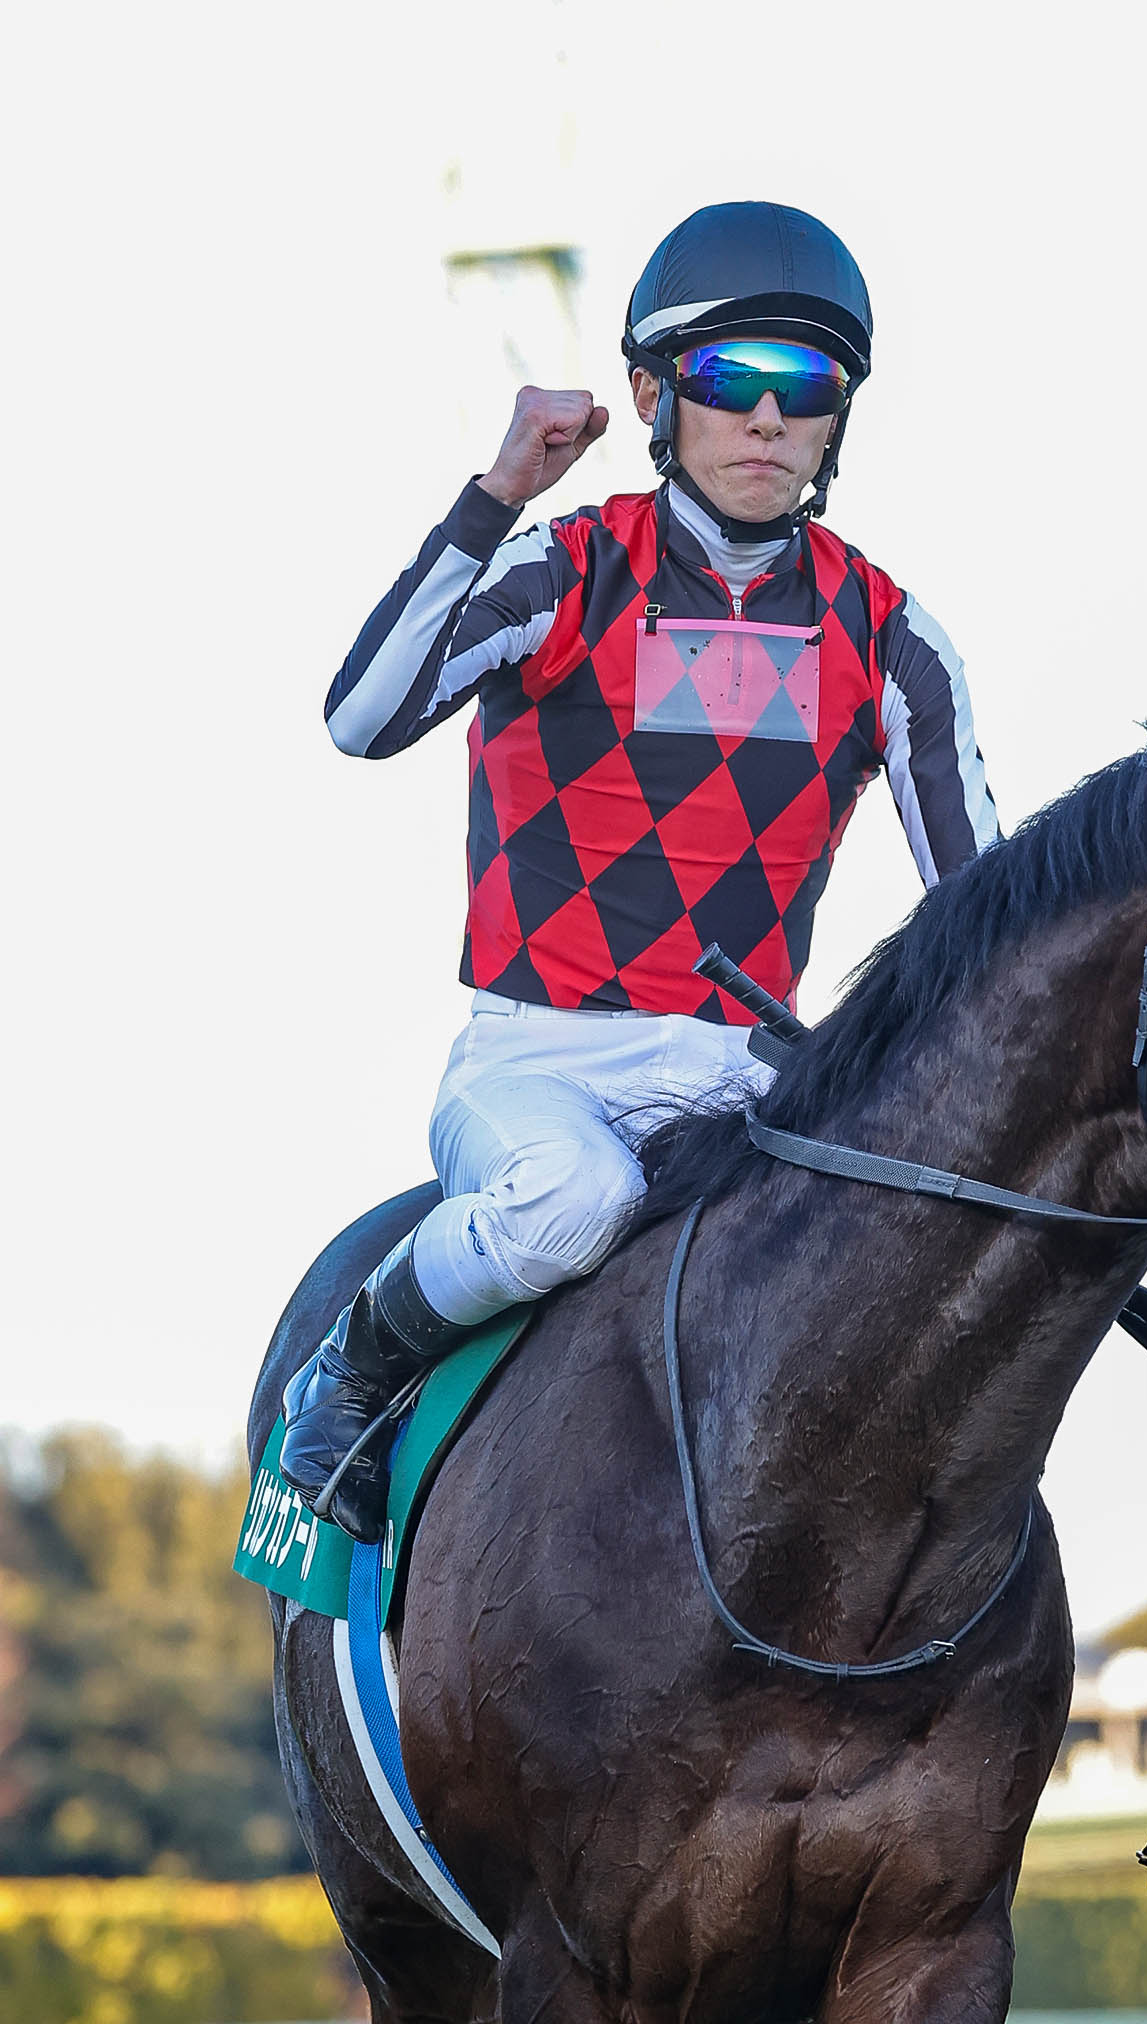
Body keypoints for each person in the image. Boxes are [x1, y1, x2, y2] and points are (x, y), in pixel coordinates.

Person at [282, 199, 999, 1538]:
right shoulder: (569, 566)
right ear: (654, 397)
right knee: (575, 1204)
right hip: (539, 1066)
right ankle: (358, 1366)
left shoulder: (891, 633)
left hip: (746, 1073)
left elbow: (988, 920)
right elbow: (362, 719)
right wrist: (496, 495)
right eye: (732, 381)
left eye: (809, 386)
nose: (770, 420)